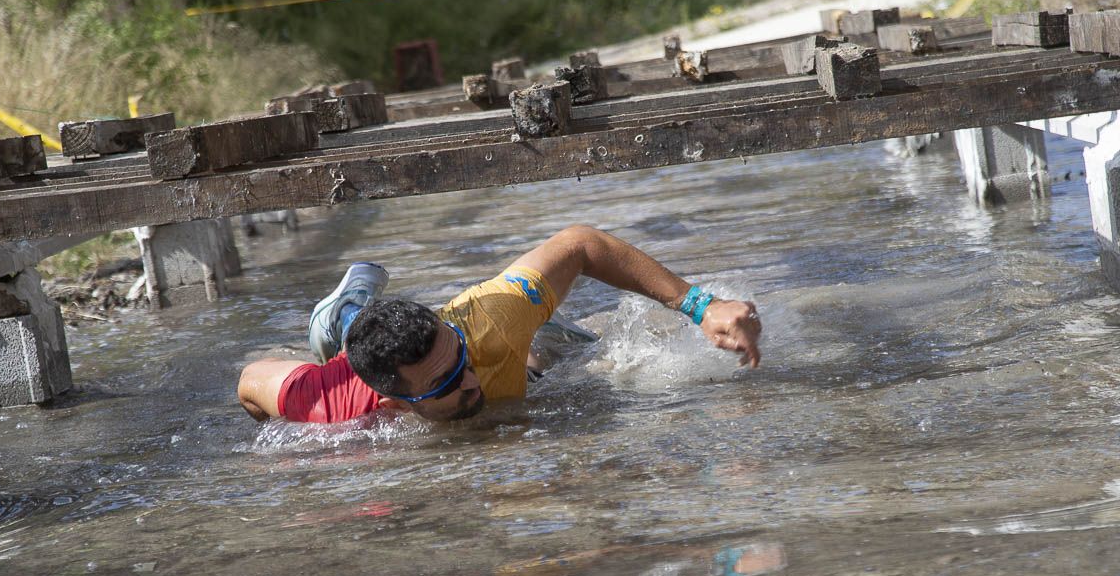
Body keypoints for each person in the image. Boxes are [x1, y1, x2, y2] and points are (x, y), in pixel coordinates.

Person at [237, 224, 761, 424]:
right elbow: (251, 383)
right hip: (359, 360)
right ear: (398, 403)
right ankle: (345, 312)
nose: (469, 379)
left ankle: (349, 310)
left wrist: (699, 305)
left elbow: (582, 243)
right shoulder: (334, 403)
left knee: (578, 352)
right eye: (445, 382)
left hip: (488, 326)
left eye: (459, 363)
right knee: (337, 335)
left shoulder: (487, 320)